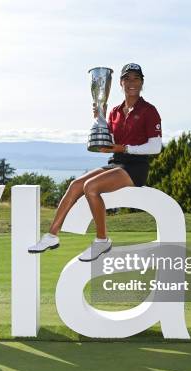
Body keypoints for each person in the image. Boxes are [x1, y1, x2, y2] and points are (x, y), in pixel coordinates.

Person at [28, 63, 163, 261]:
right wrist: (100, 118)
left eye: (136, 78)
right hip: (116, 162)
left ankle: (102, 241)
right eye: (127, 79)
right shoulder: (115, 111)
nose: (132, 83)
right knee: (75, 185)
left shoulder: (149, 110)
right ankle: (51, 236)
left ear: (142, 82)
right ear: (120, 83)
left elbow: (155, 147)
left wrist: (124, 148)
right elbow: (108, 142)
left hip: (136, 167)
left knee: (91, 187)